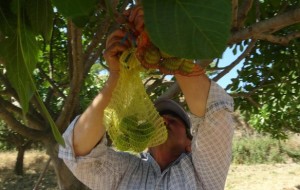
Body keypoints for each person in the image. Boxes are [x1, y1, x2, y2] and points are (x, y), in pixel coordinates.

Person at [59, 6, 234, 190]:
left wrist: (168, 44)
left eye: (174, 120)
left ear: (190, 145)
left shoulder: (201, 171)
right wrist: (116, 75)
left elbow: (215, 112)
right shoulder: (126, 170)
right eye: (157, 119)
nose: (163, 119)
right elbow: (76, 152)